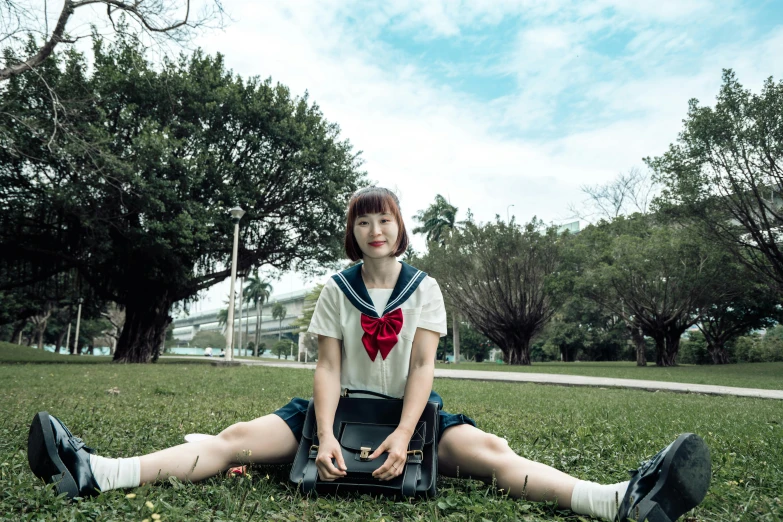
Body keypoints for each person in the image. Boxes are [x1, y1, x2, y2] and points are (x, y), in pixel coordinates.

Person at [26, 187, 711, 521]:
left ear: (398, 226)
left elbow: (420, 371)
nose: (375, 227)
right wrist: (322, 435)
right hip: (330, 413)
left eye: (384, 217)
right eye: (363, 218)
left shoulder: (427, 290)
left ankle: (617, 500)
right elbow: (326, 368)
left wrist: (406, 439)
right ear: (353, 231)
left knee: (493, 454)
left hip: (408, 417)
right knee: (234, 441)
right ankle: (97, 472)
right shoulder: (335, 290)